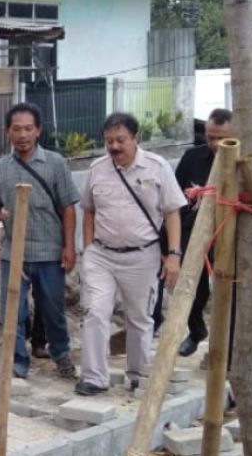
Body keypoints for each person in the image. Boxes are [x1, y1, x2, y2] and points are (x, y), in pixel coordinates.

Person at [76, 113, 187, 396]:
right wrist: (88, 249)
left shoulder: (157, 167)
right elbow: (88, 210)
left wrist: (173, 255)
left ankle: (139, 373)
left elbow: (172, 213)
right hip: (101, 255)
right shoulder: (98, 168)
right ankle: (93, 377)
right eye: (109, 141)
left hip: (142, 256)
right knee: (95, 312)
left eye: (120, 140)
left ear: (136, 138)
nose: (114, 146)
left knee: (139, 317)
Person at [0, 103, 80, 379]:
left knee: (52, 308)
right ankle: (17, 361)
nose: (22, 135)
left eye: (28, 129)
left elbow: (68, 207)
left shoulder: (55, 163)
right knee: (12, 309)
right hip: (14, 251)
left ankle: (60, 353)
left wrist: (69, 246)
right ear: (7, 132)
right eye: (17, 129)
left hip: (49, 250)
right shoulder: (0, 169)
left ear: (38, 130)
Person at [173, 108, 234, 357]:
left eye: (220, 138)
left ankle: (228, 344)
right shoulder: (192, 158)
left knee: (230, 288)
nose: (214, 143)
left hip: (230, 231)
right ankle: (196, 330)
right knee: (191, 287)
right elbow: (174, 198)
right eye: (210, 137)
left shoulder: (245, 159)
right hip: (195, 231)